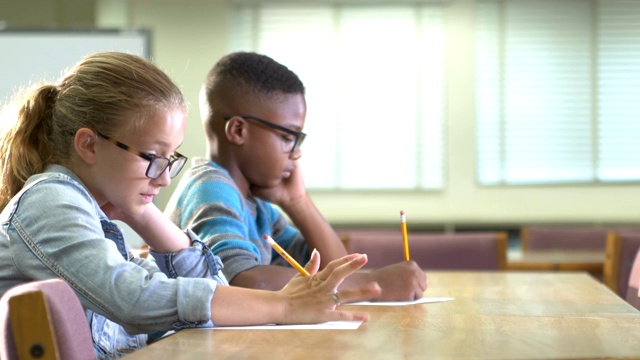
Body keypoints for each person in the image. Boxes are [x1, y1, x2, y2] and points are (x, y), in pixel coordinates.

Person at [0, 51, 381, 359]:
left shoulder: (96, 215)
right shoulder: (49, 201)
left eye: (171, 159)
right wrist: (283, 307)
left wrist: (145, 214)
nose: (165, 178)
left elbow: (207, 292)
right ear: (88, 145)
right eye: (153, 156)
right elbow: (134, 298)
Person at [165, 52, 427, 301]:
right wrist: (373, 285)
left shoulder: (257, 204)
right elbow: (242, 281)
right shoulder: (210, 187)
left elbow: (335, 267)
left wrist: (298, 202)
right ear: (238, 130)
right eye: (289, 137)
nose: (297, 152)